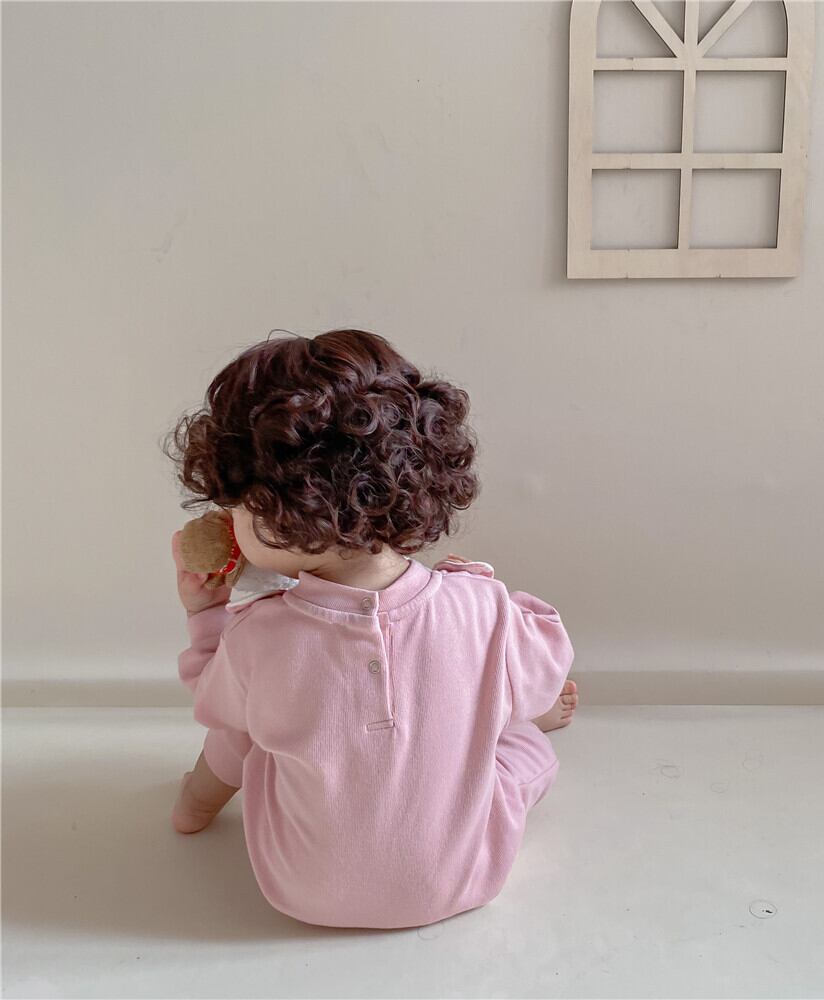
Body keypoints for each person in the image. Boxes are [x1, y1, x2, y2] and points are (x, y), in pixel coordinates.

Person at [162, 328, 579, 929]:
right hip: (464, 880)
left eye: (240, 507)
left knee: (248, 730)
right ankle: (513, 719)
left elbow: (213, 702)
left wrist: (206, 615)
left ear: (284, 516)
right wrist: (474, 591)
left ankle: (192, 805)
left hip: (301, 891)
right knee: (522, 749)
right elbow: (548, 666)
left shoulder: (258, 635)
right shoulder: (483, 608)